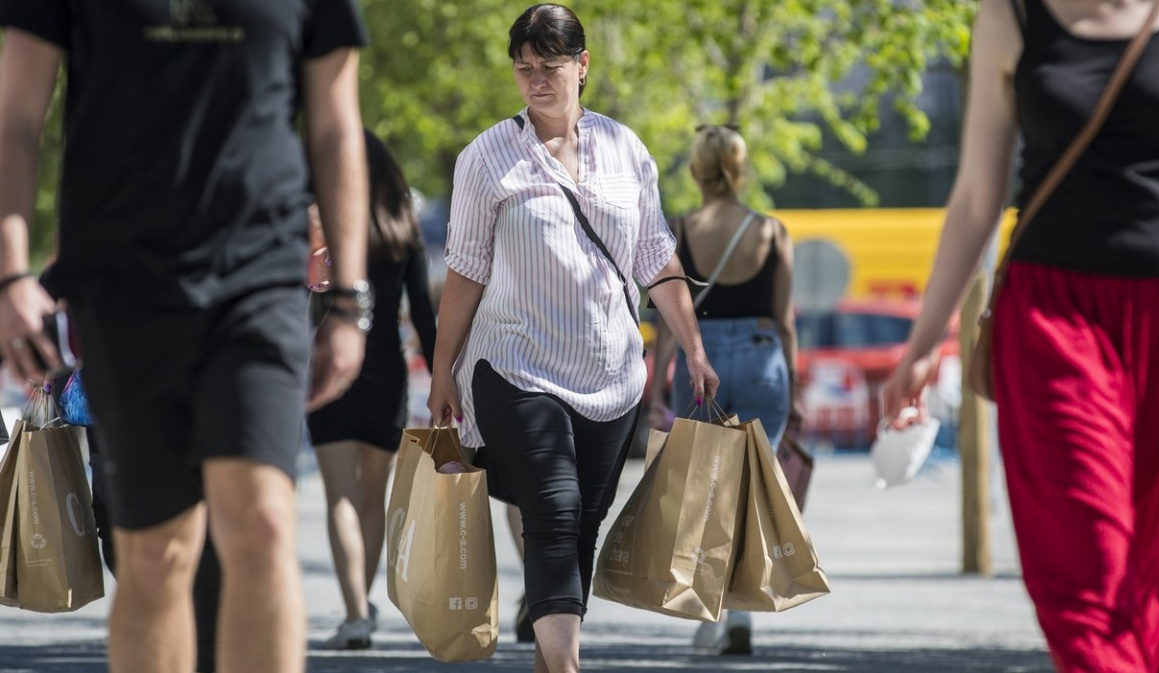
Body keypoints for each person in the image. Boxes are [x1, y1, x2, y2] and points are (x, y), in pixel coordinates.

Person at [0, 3, 372, 672]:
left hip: (260, 280)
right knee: (155, 550)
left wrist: (348, 299)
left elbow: (335, 126)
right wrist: (10, 273)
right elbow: (17, 117)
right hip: (123, 283)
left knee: (263, 521)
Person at [882, 0, 1159, 671]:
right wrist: (924, 344)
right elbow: (978, 196)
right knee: (1084, 570)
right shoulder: (1011, 15)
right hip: (1058, 321)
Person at [425, 5, 719, 672]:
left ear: (582, 66)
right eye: (523, 68)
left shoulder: (624, 149)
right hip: (516, 365)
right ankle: (566, 666)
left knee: (582, 522)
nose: (535, 81)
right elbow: (464, 272)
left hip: (612, 375)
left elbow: (655, 257)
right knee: (553, 510)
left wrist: (694, 348)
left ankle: (553, 654)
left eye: (550, 67)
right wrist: (443, 369)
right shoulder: (487, 158)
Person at [647, 124, 797, 656]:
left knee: (706, 493)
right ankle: (741, 615)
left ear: (695, 171)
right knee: (752, 491)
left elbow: (670, 322)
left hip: (700, 359)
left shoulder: (679, 231)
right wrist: (795, 389)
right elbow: (785, 322)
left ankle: (709, 611)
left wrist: (656, 390)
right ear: (741, 169)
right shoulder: (772, 232)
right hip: (762, 360)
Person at [307, 130, 437, 650]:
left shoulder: (323, 225)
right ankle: (360, 605)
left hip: (329, 367)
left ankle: (356, 614)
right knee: (371, 497)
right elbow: (423, 313)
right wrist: (443, 381)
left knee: (339, 495)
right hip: (386, 371)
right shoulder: (402, 230)